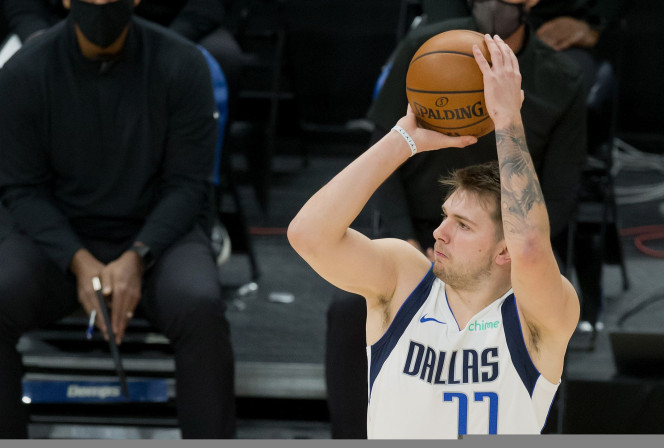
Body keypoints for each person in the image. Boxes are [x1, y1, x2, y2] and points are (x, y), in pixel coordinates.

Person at [291, 33, 580, 438]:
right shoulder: (404, 279)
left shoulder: (535, 316)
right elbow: (308, 235)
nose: (439, 232)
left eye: (463, 225)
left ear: (504, 250)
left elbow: (531, 247)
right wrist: (402, 140)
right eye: (446, 217)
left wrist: (507, 120)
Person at [0, 0, 235, 439]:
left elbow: (188, 185)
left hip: (158, 239)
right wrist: (77, 258)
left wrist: (137, 255)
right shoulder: (24, 72)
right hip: (58, 239)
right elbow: (21, 190)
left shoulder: (182, 63)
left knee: (200, 306)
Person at [3, 0, 243, 96]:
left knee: (221, 60)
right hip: (67, 23)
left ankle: (197, 182)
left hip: (172, 24)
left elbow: (208, 4)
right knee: (15, 64)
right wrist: (36, 35)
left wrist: (170, 42)